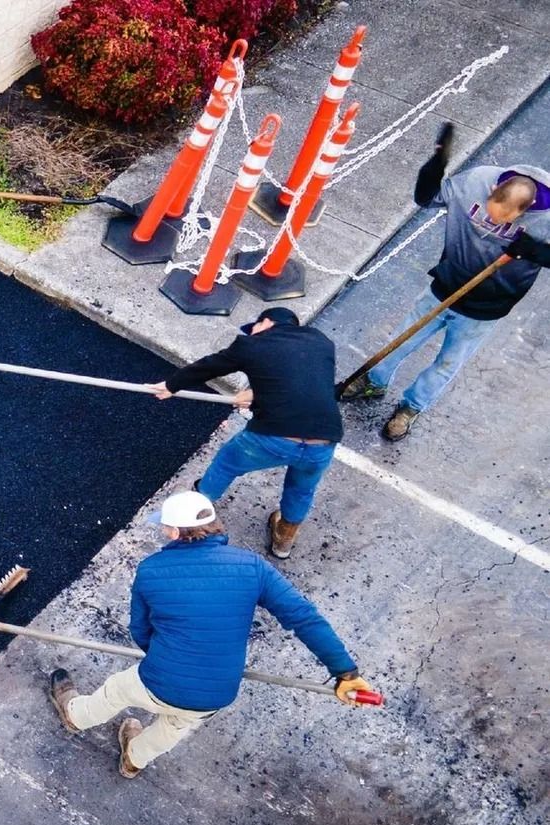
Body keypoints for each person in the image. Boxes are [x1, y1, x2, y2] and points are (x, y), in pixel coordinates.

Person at [46, 491, 374, 778]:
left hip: (159, 679)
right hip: (216, 693)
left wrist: (161, 656)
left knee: (116, 690)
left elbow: (140, 630)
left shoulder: (152, 570)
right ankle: (134, 758)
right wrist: (346, 672)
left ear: (175, 532)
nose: (163, 530)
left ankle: (76, 716)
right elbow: (304, 618)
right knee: (176, 726)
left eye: (165, 526)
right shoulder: (253, 567)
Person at [339, 124, 550, 440]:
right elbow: (427, 198)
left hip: (485, 310)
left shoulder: (546, 220)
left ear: (525, 211)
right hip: (444, 287)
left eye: (502, 221)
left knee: (446, 363)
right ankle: (374, 382)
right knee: (402, 340)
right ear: (493, 189)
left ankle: (411, 407)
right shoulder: (476, 181)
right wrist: (436, 165)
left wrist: (535, 250)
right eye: (490, 213)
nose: (491, 224)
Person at [149, 306, 340, 560]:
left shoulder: (252, 344)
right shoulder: (321, 342)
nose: (252, 333)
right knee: (301, 488)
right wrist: (257, 395)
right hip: (324, 440)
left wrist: (171, 385)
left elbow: (210, 366)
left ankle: (195, 510)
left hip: (274, 437)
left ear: (266, 322)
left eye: (255, 328)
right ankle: (284, 538)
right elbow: (302, 384)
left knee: (227, 463)